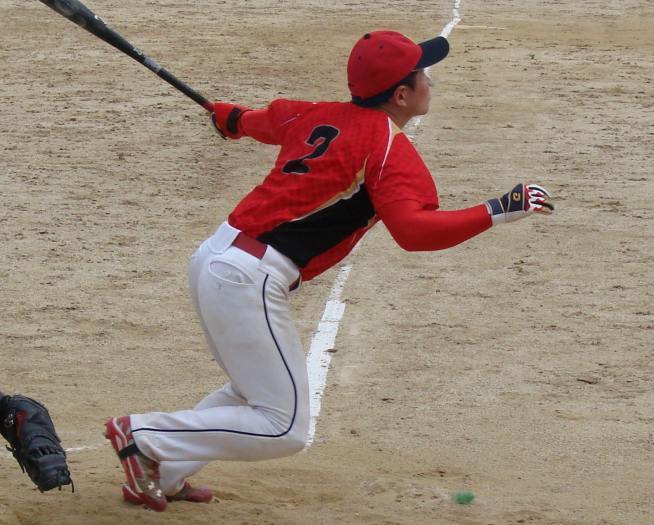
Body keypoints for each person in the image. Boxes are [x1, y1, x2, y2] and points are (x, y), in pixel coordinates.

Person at [104, 30, 553, 512]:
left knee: (254, 392)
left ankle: (164, 473)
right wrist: (496, 210)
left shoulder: (314, 113)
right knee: (285, 427)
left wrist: (229, 119)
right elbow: (413, 232)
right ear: (401, 95)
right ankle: (143, 435)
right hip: (248, 278)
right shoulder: (389, 149)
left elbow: (253, 121)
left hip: (218, 258)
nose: (430, 81)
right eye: (422, 74)